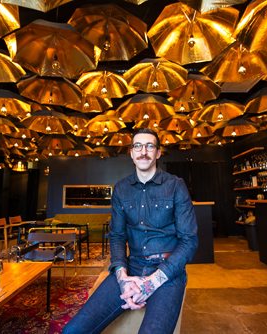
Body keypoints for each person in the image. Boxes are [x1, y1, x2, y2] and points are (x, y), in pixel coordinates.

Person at [63, 128, 198, 334]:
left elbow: (189, 240)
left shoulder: (176, 186)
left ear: (158, 153)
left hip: (168, 272)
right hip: (132, 266)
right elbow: (117, 236)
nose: (143, 151)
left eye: (150, 146)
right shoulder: (121, 188)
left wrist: (153, 282)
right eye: (138, 146)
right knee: (72, 331)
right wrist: (122, 277)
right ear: (131, 153)